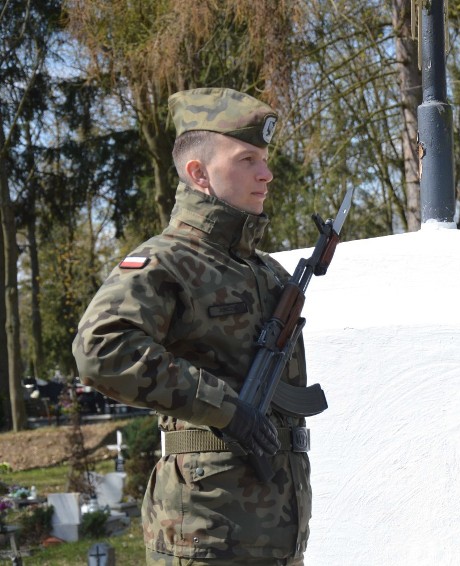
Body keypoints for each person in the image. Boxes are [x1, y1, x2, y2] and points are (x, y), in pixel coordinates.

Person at [73, 88, 312, 565]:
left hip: (280, 536)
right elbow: (101, 349)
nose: (266, 173)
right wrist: (224, 407)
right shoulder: (167, 261)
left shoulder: (268, 273)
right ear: (198, 174)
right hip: (205, 535)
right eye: (246, 159)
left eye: (264, 159)